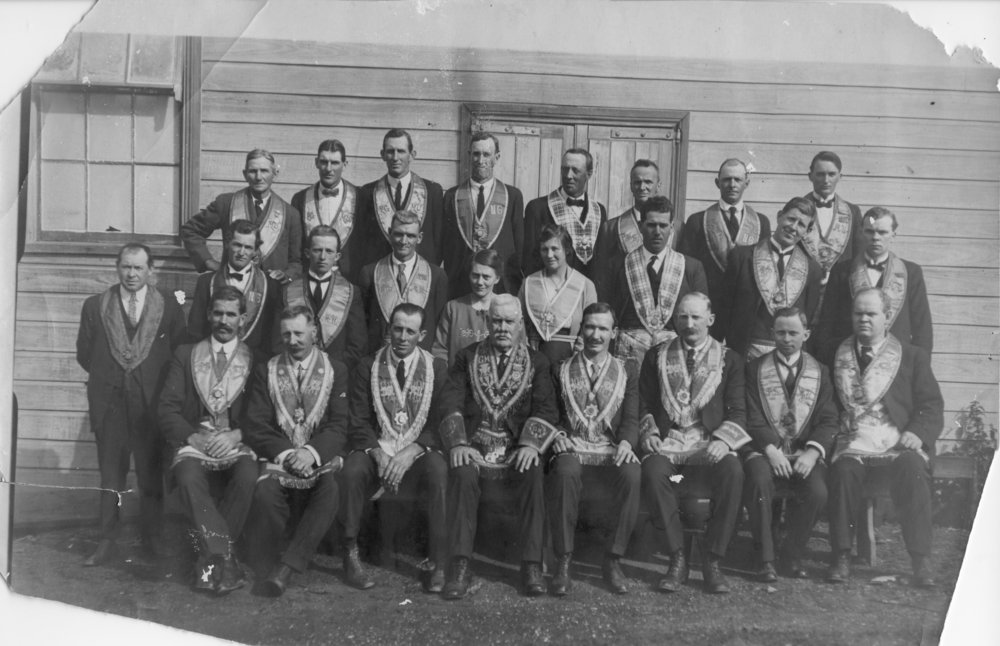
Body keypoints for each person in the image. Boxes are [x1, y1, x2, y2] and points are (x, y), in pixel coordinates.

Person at [438, 294, 559, 599]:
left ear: (520, 324)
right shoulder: (467, 357)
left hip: (516, 450)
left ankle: (531, 565)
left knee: (533, 472)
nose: (503, 328)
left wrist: (531, 445)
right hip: (475, 447)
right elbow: (450, 399)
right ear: (487, 322)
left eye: (509, 321)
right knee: (463, 473)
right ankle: (460, 564)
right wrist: (459, 443)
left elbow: (546, 408)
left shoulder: (538, 361)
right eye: (497, 321)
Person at [75, 242, 187, 566]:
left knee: (152, 476)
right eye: (126, 266)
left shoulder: (167, 306)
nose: (132, 274)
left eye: (139, 268)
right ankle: (107, 541)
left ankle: (152, 540)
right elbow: (86, 354)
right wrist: (111, 378)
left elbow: (178, 352)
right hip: (111, 404)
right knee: (111, 476)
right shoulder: (95, 305)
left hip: (150, 406)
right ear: (117, 267)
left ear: (150, 270)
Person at [826, 288, 943, 587]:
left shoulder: (911, 356)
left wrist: (917, 433)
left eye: (871, 314)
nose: (863, 319)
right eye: (858, 313)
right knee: (842, 471)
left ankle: (920, 560)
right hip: (854, 441)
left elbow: (930, 404)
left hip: (896, 441)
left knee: (913, 469)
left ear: (887, 317)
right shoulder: (837, 354)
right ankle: (840, 556)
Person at [638, 293, 748, 594]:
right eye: (683, 317)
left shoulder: (729, 359)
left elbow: (739, 409)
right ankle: (677, 557)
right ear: (675, 319)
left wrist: (725, 440)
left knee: (733, 472)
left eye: (696, 317)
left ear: (710, 320)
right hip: (674, 458)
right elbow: (644, 402)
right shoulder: (657, 355)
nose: (689, 324)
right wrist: (649, 433)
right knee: (655, 473)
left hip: (707, 454)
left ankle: (712, 560)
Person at [339, 304, 451, 592]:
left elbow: (440, 419)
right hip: (378, 450)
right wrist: (378, 454)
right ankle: (350, 554)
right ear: (389, 329)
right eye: (397, 329)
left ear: (422, 334)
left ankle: (438, 561)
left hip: (414, 453)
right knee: (352, 470)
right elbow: (359, 420)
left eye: (410, 331)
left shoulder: (436, 367)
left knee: (439, 470)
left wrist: (411, 451)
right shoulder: (369, 365)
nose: (402, 336)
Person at [241, 305, 350, 597]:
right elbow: (256, 424)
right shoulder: (269, 369)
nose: (293, 340)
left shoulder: (334, 369)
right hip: (283, 456)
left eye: (299, 333)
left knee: (330, 491)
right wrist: (290, 454)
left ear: (314, 331)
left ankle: (287, 568)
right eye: (286, 334)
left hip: (317, 457)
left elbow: (339, 424)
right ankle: (279, 554)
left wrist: (311, 453)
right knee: (265, 494)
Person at [158, 286, 259, 595]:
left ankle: (210, 558)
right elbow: (167, 408)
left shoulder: (256, 359)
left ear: (242, 319)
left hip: (235, 442)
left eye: (231, 314)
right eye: (218, 313)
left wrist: (237, 434)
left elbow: (261, 416)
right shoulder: (186, 354)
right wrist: (193, 437)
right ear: (207, 314)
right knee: (188, 477)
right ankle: (225, 557)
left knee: (247, 476)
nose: (223, 320)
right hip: (196, 443)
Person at [547, 303, 641, 596]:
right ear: (581, 329)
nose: (595, 334)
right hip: (574, 445)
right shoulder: (561, 368)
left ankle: (612, 560)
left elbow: (632, 416)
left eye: (602, 328)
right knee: (564, 469)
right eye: (590, 327)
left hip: (610, 447)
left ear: (613, 333)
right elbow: (552, 414)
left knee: (632, 472)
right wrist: (559, 435)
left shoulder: (627, 369)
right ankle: (563, 560)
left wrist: (626, 441)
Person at [742, 307, 838, 582]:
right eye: (780, 332)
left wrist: (812, 451)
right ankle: (765, 559)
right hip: (766, 451)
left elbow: (829, 419)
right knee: (759, 481)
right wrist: (770, 449)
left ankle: (792, 554)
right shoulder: (754, 369)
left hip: (803, 452)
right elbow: (751, 416)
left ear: (806, 334)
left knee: (818, 492)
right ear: (772, 333)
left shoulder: (820, 371)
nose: (786, 338)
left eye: (793, 333)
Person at [817, 206, 933, 365]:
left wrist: (919, 368)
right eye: (870, 231)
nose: (875, 237)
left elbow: (922, 328)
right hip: (849, 362)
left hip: (896, 364)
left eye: (882, 232)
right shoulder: (842, 271)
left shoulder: (911, 273)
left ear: (893, 235)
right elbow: (826, 324)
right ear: (862, 233)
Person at [717, 197, 823, 360]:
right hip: (745, 352)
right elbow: (724, 309)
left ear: (807, 231)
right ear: (779, 216)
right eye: (791, 219)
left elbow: (808, 315)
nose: (793, 227)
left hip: (788, 356)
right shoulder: (742, 257)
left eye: (801, 224)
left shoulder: (813, 269)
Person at [609, 196, 708, 370]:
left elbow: (701, 318)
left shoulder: (692, 267)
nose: (657, 231)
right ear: (641, 227)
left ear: (672, 228)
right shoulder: (618, 265)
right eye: (651, 225)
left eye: (663, 225)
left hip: (675, 355)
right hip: (629, 356)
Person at [678, 159, 770, 339]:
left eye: (737, 179)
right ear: (717, 182)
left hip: (746, 311)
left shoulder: (761, 222)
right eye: (727, 179)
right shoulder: (698, 221)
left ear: (747, 183)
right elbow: (687, 270)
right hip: (710, 307)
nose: (732, 185)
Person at [181, 149, 302, 282]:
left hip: (271, 291)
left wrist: (287, 274)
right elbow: (191, 230)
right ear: (245, 174)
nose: (258, 177)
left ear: (275, 173)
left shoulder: (290, 214)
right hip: (231, 288)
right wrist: (207, 261)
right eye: (253, 171)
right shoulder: (226, 203)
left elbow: (296, 261)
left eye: (264, 171)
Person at [441, 132, 525, 298]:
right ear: (469, 156)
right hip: (461, 285)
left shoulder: (512, 196)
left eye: (486, 154)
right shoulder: (452, 195)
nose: (481, 160)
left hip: (501, 286)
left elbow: (519, 247)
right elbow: (446, 245)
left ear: (496, 157)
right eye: (476, 154)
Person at [357, 210, 449, 353]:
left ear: (420, 237)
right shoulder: (370, 272)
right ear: (389, 233)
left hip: (420, 359)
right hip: (379, 356)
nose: (404, 241)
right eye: (399, 234)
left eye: (411, 236)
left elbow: (438, 324)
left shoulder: (437, 275)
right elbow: (363, 323)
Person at [187, 220, 281, 360]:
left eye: (248, 247)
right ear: (227, 244)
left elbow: (273, 336)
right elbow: (196, 331)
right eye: (237, 245)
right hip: (213, 359)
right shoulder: (206, 282)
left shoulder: (270, 284)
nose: (241, 253)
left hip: (255, 364)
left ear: (255, 251)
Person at [280, 225, 367, 375]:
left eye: (329, 251)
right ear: (307, 253)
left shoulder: (351, 291)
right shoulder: (288, 290)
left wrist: (333, 369)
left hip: (336, 373)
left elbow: (357, 344)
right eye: (317, 250)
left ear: (337, 256)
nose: (322, 257)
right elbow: (278, 340)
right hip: (294, 372)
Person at [357, 128, 444, 269]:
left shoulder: (432, 191)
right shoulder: (368, 192)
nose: (395, 157)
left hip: (421, 274)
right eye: (390, 151)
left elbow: (439, 243)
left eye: (401, 151)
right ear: (383, 155)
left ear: (412, 155)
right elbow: (362, 243)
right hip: (380, 273)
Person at [522, 148, 607, 283]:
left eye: (575, 170)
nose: (568, 175)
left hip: (588, 292)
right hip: (552, 290)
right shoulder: (538, 208)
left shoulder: (599, 210)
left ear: (589, 174)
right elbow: (530, 261)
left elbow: (601, 261)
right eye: (564, 169)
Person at [518, 224, 598, 366]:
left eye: (555, 249)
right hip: (535, 357)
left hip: (571, 357)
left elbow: (591, 325)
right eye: (544, 249)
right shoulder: (529, 283)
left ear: (567, 250)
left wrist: (577, 357)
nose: (549, 255)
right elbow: (518, 323)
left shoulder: (585, 285)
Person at [291, 139, 366, 282]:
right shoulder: (300, 199)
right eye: (324, 162)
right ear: (316, 162)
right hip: (310, 279)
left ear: (345, 164)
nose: (329, 168)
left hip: (349, 280)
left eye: (335, 163)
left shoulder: (360, 197)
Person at [801, 151, 866, 308]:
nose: (826, 180)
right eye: (820, 174)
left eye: (831, 174)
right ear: (810, 176)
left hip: (841, 291)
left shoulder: (852, 211)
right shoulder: (797, 208)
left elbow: (859, 255)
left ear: (840, 177)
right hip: (804, 289)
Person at [592, 159, 661, 299]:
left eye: (648, 182)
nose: (642, 187)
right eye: (637, 182)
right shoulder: (611, 228)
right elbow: (602, 277)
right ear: (630, 186)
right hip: (624, 308)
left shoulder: (676, 228)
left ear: (658, 186)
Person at [432, 248, 503, 365]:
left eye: (486, 277)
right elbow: (440, 350)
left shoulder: (506, 309)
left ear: (497, 279)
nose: (479, 282)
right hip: (457, 379)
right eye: (475, 275)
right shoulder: (453, 308)